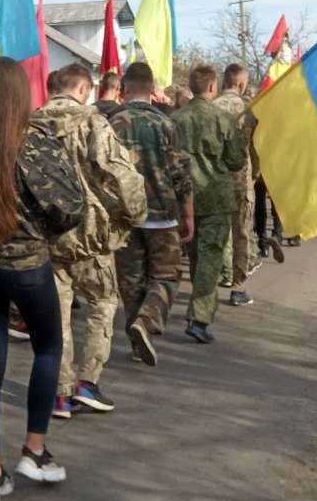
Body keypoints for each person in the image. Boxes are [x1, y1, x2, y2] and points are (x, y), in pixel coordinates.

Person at [0, 57, 83, 501]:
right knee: (48, 349)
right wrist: (44, 231)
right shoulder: (32, 142)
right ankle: (34, 449)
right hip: (26, 266)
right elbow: (70, 206)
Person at [30, 63, 146, 418]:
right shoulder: (93, 122)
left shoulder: (30, 125)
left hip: (45, 237)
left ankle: (60, 394)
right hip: (90, 238)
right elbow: (120, 174)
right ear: (83, 89)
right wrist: (136, 214)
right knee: (103, 302)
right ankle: (87, 381)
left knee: (58, 315)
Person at [110, 62, 193, 365]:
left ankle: (137, 342)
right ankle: (146, 322)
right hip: (162, 213)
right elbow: (181, 173)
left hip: (124, 216)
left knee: (131, 280)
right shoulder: (166, 124)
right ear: (151, 90)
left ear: (124, 88)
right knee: (166, 275)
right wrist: (188, 214)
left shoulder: (110, 124)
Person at [172, 64, 247, 344]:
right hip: (216, 197)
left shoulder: (175, 119)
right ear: (213, 87)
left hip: (184, 197)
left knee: (195, 256)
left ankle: (199, 307)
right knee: (210, 257)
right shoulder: (223, 119)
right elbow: (236, 161)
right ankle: (199, 317)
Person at [211, 64, 258, 306]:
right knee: (242, 234)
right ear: (241, 83)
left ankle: (216, 281)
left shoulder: (211, 108)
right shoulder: (249, 111)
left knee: (217, 233)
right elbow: (256, 149)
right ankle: (238, 289)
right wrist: (255, 174)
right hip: (241, 181)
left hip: (215, 181)